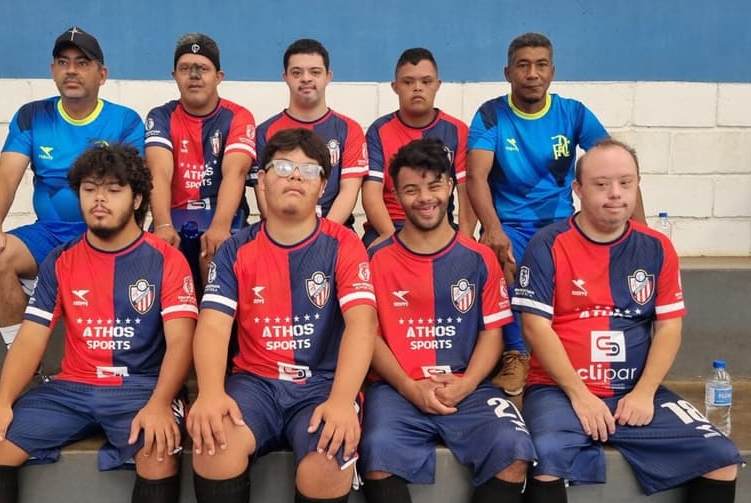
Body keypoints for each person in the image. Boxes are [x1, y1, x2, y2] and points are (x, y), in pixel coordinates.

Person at [0, 145, 197, 503]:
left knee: (158, 446)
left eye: (113, 190)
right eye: (90, 190)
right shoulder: (62, 260)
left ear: (138, 199)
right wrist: (5, 403)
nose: (99, 199)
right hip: (72, 387)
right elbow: (32, 337)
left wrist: (162, 403)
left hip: (140, 387)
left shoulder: (166, 260)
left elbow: (182, 340)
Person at [511, 139, 741, 503]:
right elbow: (536, 328)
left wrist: (643, 393)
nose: (614, 193)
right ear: (577, 189)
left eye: (625, 183)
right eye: (601, 184)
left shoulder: (656, 248)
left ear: (638, 187)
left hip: (635, 390)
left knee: (721, 457)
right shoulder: (547, 243)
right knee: (545, 456)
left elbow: (669, 328)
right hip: (560, 390)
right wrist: (580, 396)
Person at [188, 128, 377, 503]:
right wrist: (210, 393)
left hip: (321, 384)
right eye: (284, 168)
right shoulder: (237, 249)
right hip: (256, 383)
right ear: (261, 180)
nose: (296, 177)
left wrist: (342, 399)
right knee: (214, 441)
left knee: (330, 458)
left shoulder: (343, 245)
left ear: (322, 186)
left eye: (310, 170)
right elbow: (212, 325)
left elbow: (362, 324)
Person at [360, 138, 536, 503]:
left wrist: (466, 383)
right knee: (376, 450)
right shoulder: (375, 259)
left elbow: (491, 333)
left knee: (515, 450)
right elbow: (369, 336)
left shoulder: (478, 259)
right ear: (395, 198)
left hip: (470, 385)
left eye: (434, 186)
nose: (425, 198)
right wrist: (410, 387)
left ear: (450, 190)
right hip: (397, 386)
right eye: (412, 189)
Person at [0, 26, 145, 405]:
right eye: (63, 63)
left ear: (102, 74)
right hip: (48, 234)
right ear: (52, 70)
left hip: (102, 235)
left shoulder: (125, 121)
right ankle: (24, 371)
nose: (71, 70)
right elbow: (6, 175)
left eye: (82, 63)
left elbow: (136, 186)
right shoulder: (32, 116)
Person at [466, 32, 645, 398]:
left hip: (561, 223)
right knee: (498, 262)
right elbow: (476, 178)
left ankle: (565, 353)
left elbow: (614, 164)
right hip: (510, 223)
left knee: (574, 277)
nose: (532, 73)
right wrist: (493, 229)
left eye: (541, 65)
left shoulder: (572, 112)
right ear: (508, 72)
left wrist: (638, 232)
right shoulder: (491, 114)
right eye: (523, 65)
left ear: (552, 71)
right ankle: (516, 353)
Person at [145, 32, 256, 291]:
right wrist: (162, 225)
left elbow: (235, 173)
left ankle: (217, 331)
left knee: (214, 256)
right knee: (156, 262)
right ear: (174, 75)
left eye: (203, 69)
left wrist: (220, 227)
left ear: (219, 76)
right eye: (185, 68)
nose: (194, 76)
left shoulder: (238, 116)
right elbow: (158, 173)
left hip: (225, 216)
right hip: (171, 218)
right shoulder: (161, 116)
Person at [362, 48, 473, 247]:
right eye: (408, 82)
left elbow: (467, 191)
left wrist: (464, 239)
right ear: (395, 87)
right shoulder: (379, 130)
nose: (417, 88)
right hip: (391, 226)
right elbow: (372, 192)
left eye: (426, 81)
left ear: (438, 85)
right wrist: (389, 237)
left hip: (439, 224)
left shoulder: (457, 130)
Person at [252, 38, 368, 227]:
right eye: (297, 72)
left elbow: (349, 191)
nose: (306, 78)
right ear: (285, 77)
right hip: (279, 231)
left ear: (328, 76)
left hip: (334, 230)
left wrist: (320, 238)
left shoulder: (350, 129)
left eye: (315, 72)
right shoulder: (264, 132)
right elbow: (264, 193)